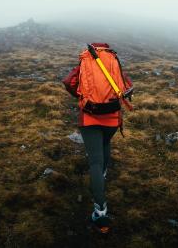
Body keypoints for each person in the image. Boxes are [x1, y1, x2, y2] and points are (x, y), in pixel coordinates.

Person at [62, 43, 133, 234]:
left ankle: (100, 211)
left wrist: (81, 97)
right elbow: (127, 85)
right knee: (106, 143)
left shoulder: (85, 60)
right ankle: (101, 177)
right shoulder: (113, 61)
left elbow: (68, 81)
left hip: (90, 115)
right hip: (112, 116)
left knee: (94, 160)